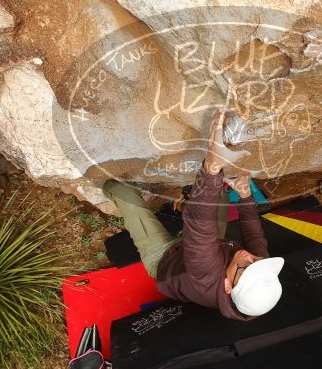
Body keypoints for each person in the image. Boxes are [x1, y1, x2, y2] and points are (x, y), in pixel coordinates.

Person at [103, 109, 285, 320]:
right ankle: (193, 196)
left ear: (227, 286)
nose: (249, 257)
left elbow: (200, 227)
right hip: (210, 248)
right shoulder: (256, 267)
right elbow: (254, 237)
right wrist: (245, 195)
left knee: (122, 192)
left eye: (246, 268)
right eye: (257, 262)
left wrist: (211, 168)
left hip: (163, 259)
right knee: (222, 193)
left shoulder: (206, 274)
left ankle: (105, 185)